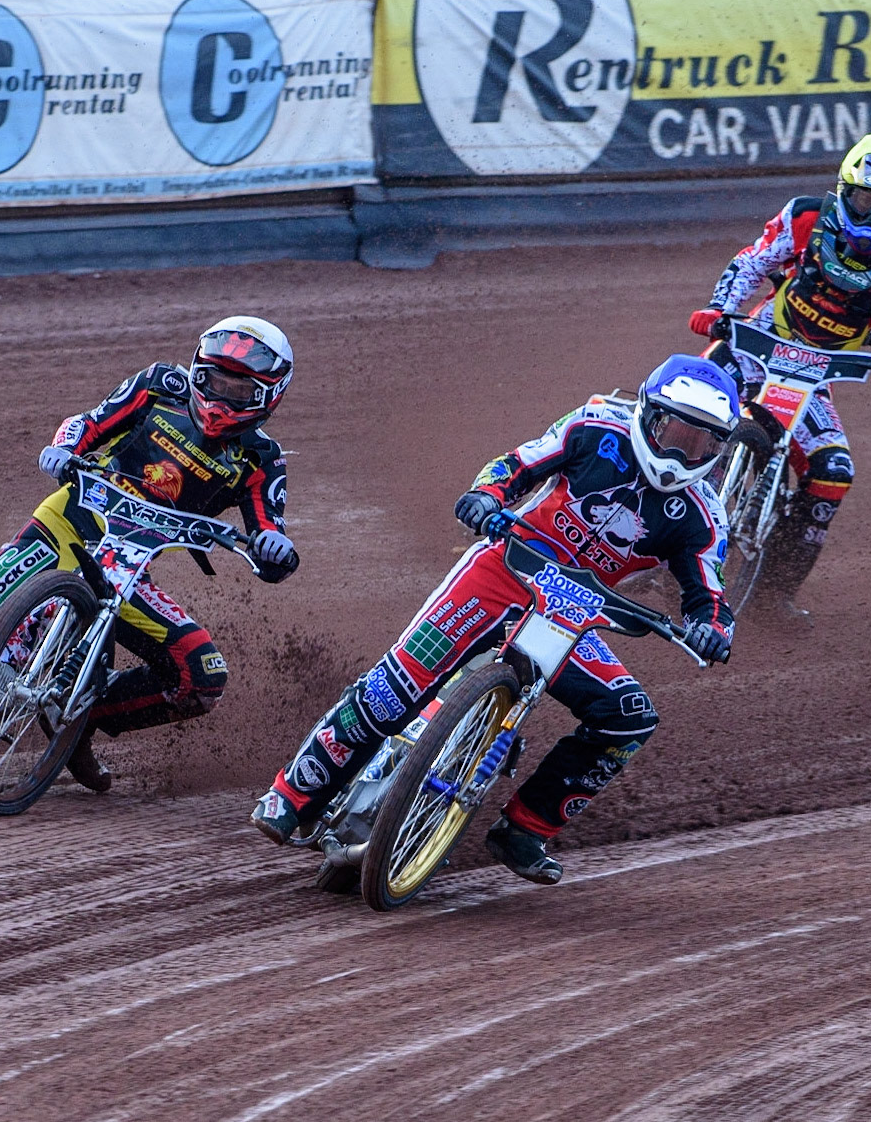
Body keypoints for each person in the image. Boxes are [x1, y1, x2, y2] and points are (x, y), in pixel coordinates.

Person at [250, 356, 740, 885]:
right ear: (647, 412)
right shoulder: (596, 424)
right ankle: (292, 795)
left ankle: (526, 830)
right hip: (504, 570)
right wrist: (486, 496)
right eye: (675, 433)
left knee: (629, 717)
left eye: (701, 443)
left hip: (574, 615)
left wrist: (712, 629)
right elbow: (514, 465)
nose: (682, 453)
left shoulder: (705, 515)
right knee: (397, 684)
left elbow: (708, 591)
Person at [0, 315, 302, 743]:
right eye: (213, 381)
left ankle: (81, 718)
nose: (220, 397)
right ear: (196, 371)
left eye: (238, 391)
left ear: (268, 396)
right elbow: (89, 422)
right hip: (66, 524)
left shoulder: (263, 459)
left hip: (126, 568)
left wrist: (275, 549)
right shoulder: (159, 386)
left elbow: (269, 532)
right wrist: (64, 449)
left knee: (203, 675)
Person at [687, 131, 871, 619]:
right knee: (682, 404)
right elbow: (751, 263)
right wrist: (719, 308)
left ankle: (773, 596)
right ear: (845, 190)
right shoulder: (805, 217)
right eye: (865, 200)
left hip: (814, 377)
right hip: (755, 343)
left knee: (833, 473)